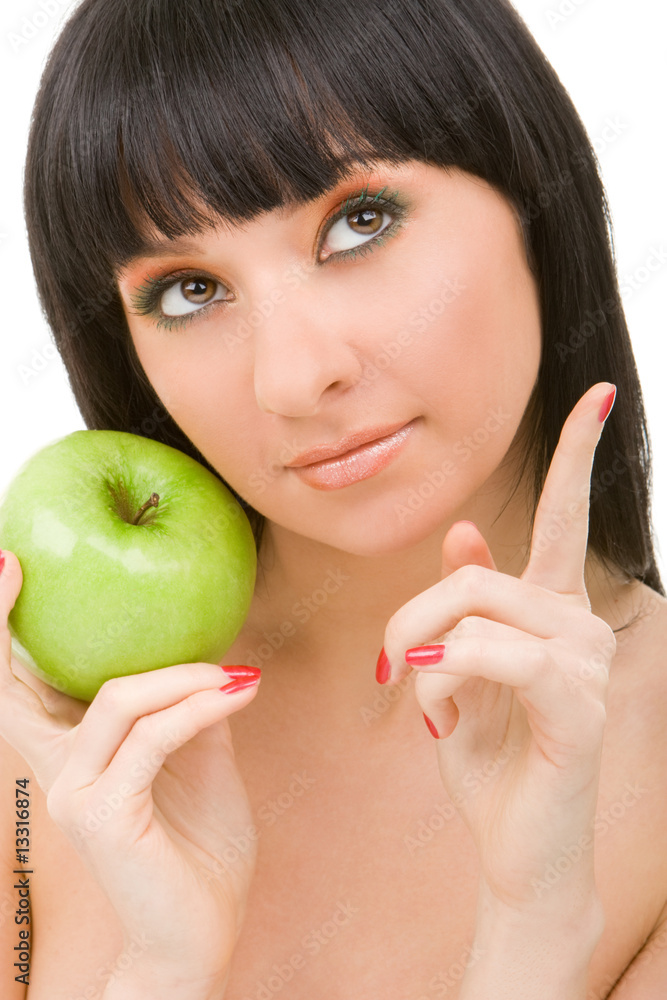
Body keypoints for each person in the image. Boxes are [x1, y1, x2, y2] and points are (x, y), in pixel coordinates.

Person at [1, 0, 666, 996]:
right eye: (189, 289)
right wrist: (160, 968)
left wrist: (537, 929)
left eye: (359, 222)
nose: (291, 376)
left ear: (534, 195)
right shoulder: (44, 733)